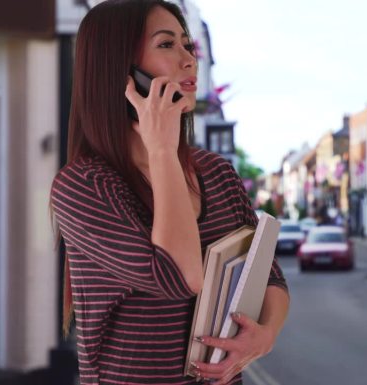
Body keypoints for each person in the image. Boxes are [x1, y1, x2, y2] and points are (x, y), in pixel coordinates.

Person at [50, 1, 290, 384]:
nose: (188, 60)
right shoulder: (84, 186)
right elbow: (180, 276)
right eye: (166, 45)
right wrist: (161, 148)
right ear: (121, 71)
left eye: (187, 45)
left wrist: (266, 335)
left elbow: (268, 276)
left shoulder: (217, 173)